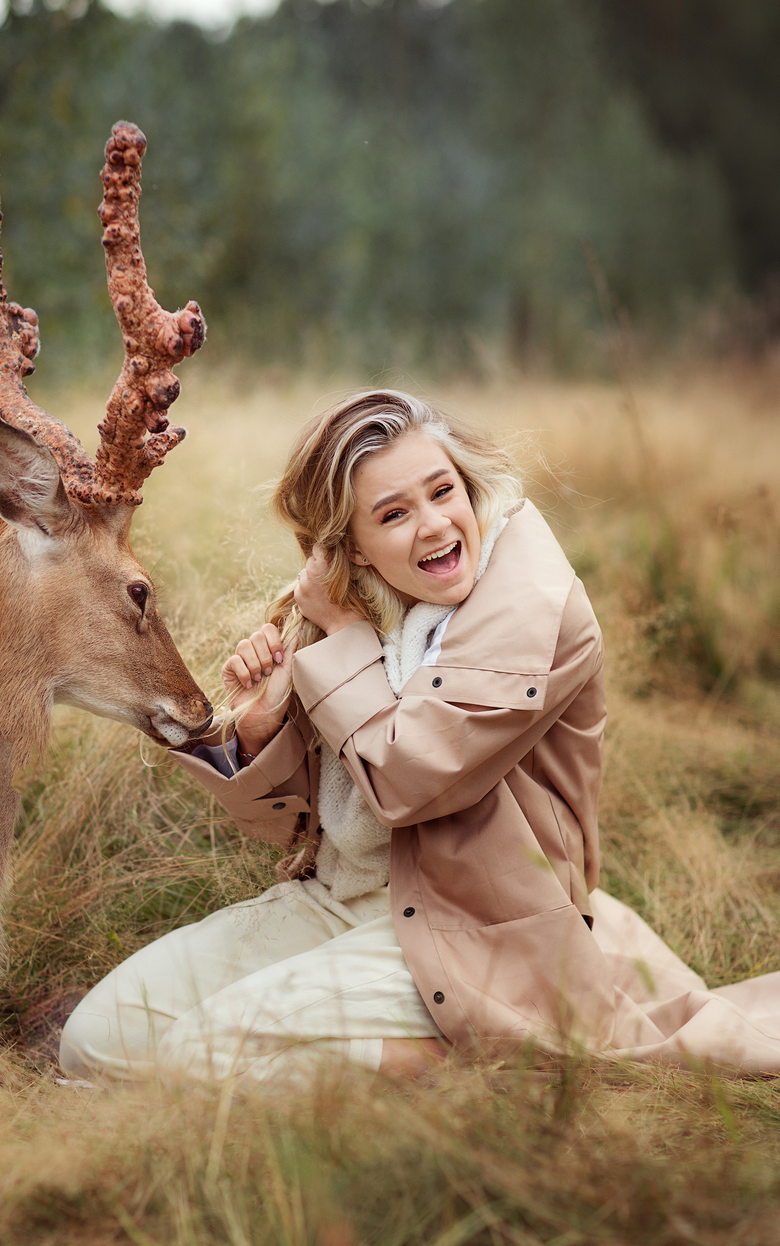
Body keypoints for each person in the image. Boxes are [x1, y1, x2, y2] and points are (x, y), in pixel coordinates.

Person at [60, 390, 780, 1085]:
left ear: (468, 489)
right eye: (395, 513)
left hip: (467, 927)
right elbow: (297, 825)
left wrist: (342, 648)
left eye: (442, 492)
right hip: (338, 902)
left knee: (197, 1055)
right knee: (96, 1043)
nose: (434, 526)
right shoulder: (361, 607)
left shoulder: (531, 606)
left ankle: (468, 1069)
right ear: (357, 548)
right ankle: (342, 1048)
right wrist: (256, 730)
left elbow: (409, 780)